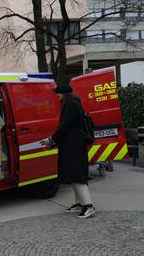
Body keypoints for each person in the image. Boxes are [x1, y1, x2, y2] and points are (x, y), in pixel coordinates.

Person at [40, 85, 96, 219]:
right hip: (74, 145)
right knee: (75, 175)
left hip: (73, 146)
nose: (58, 99)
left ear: (64, 95)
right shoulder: (74, 103)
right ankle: (79, 203)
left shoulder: (70, 105)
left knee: (77, 175)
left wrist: (51, 139)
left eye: (59, 96)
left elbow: (64, 126)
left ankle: (88, 206)